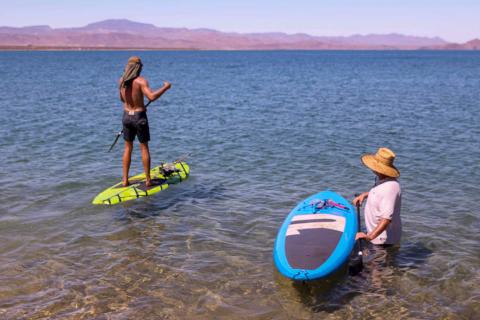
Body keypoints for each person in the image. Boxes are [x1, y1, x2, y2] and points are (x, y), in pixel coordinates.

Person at [119, 56, 171, 187]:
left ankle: (125, 180)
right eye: (141, 66)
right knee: (144, 147)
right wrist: (165, 87)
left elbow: (122, 99)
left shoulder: (121, 81)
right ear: (137, 67)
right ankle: (148, 180)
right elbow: (152, 97)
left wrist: (134, 103)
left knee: (127, 147)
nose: (142, 68)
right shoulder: (141, 81)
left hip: (126, 116)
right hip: (139, 117)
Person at [353, 147, 402, 246]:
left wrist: (369, 237)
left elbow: (386, 219)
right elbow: (380, 193)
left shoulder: (390, 187)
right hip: (376, 237)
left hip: (383, 242)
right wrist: (366, 195)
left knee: (375, 262)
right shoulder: (382, 180)